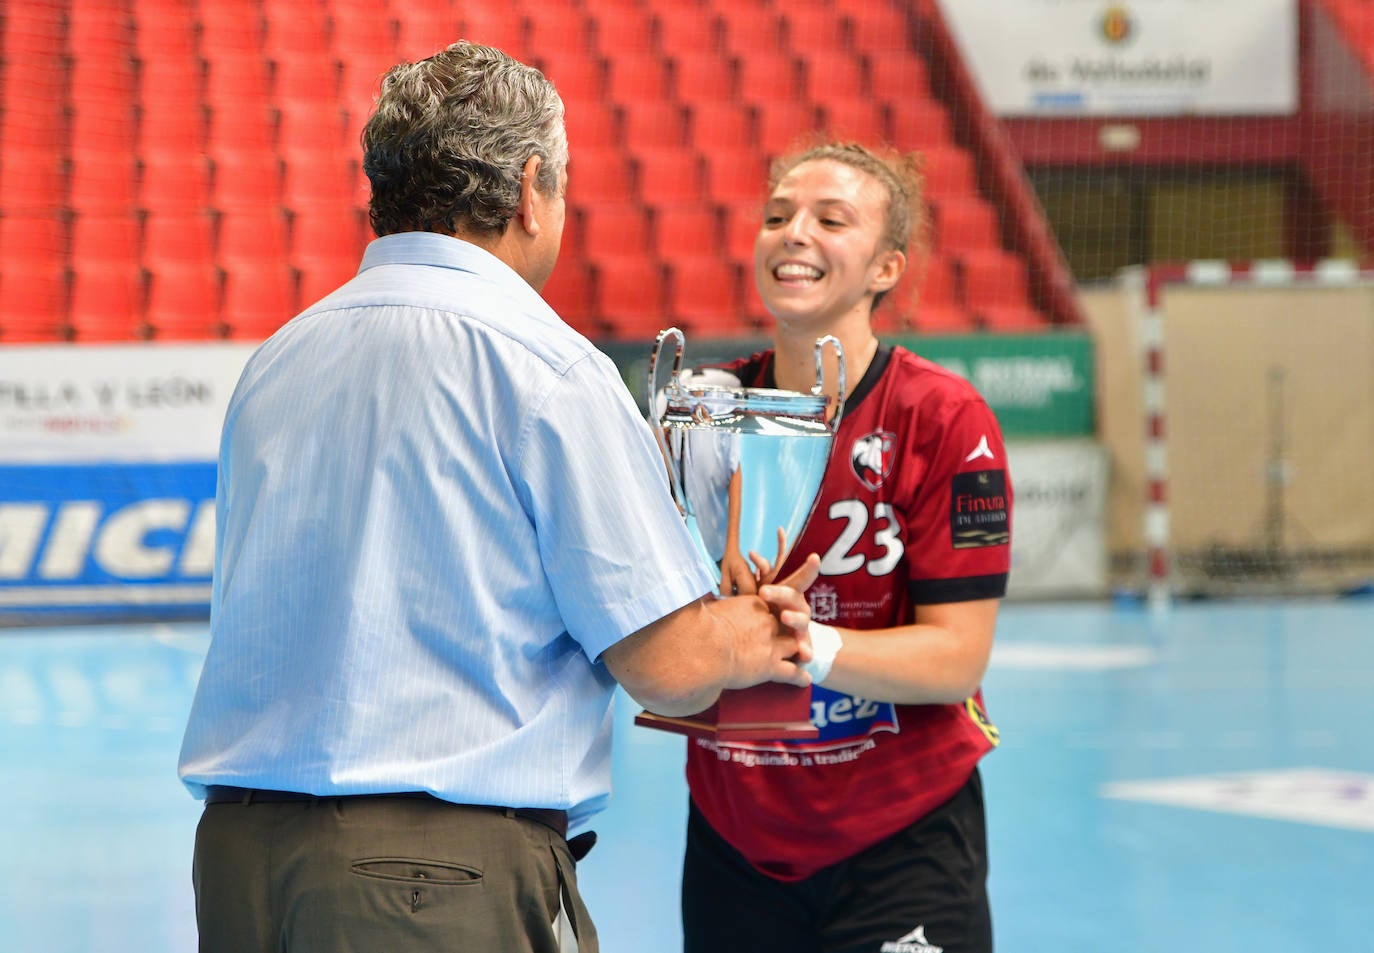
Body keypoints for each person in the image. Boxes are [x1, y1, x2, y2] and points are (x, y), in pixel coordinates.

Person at [177, 42, 820, 953]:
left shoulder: (281, 358)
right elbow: (668, 661)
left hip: (242, 864)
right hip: (429, 880)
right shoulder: (544, 366)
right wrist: (756, 629)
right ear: (529, 189)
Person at [680, 142, 1013, 953]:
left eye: (832, 220)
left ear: (886, 268)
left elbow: (957, 658)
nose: (794, 233)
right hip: (736, 832)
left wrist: (810, 643)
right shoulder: (701, 417)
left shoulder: (943, 418)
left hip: (900, 833)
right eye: (777, 216)